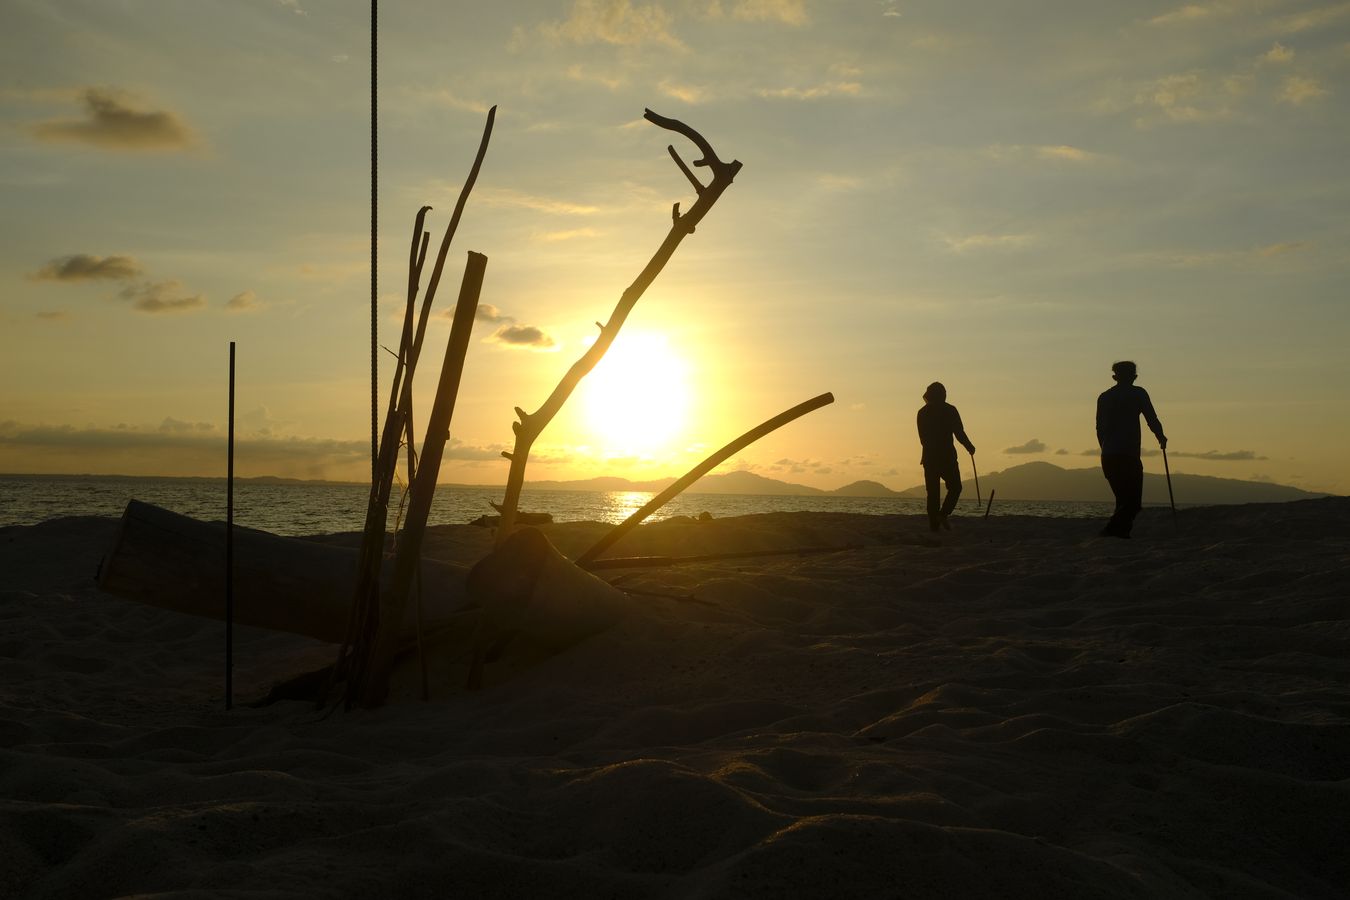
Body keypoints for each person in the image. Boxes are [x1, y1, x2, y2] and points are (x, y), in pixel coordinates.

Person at [1096, 360, 1167, 539]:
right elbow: (1151, 418)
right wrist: (1160, 436)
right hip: (1128, 454)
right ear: (1134, 376)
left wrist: (1104, 448)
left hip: (1109, 454)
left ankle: (1121, 533)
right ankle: (1111, 531)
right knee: (1132, 502)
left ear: (1115, 377)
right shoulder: (1138, 394)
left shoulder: (1105, 396)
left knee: (1123, 499)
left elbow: (1099, 428)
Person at [917, 382, 975, 532]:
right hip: (947, 456)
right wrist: (969, 446)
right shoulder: (950, 410)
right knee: (955, 487)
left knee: (933, 493)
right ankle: (943, 515)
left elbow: (923, 439)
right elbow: (959, 432)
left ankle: (934, 526)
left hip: (929, 457)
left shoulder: (922, 413)